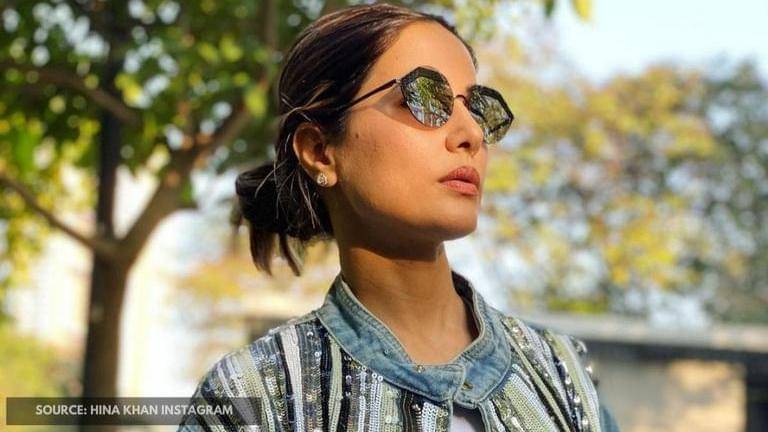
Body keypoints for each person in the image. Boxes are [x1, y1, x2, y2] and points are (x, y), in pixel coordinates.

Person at [178, 2, 620, 431]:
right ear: (320, 151)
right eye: (425, 99)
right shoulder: (253, 400)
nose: (470, 134)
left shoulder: (562, 375)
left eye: (478, 108)